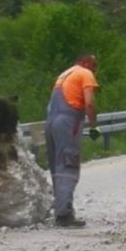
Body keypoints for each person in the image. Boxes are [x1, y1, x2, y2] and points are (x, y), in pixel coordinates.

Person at [45, 52, 101, 228]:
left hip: (51, 122)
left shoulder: (65, 74)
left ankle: (60, 209)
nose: (95, 70)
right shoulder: (85, 74)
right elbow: (89, 103)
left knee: (56, 166)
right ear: (85, 62)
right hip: (68, 122)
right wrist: (93, 124)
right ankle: (64, 215)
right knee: (68, 165)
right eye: (94, 66)